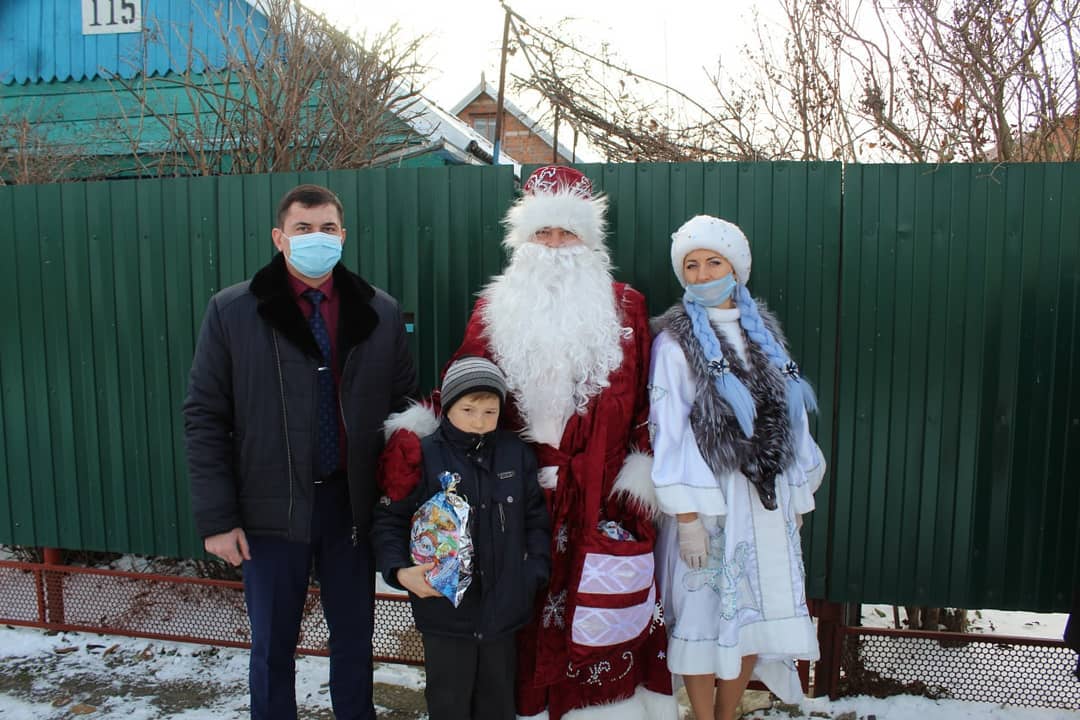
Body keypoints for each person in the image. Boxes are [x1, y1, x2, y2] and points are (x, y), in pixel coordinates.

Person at [379, 166, 675, 719]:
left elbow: (644, 402)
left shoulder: (628, 307)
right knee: (510, 621)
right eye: (544, 232)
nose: (555, 245)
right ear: (523, 239)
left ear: (589, 241)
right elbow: (463, 382)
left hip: (597, 495)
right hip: (506, 490)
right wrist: (416, 439)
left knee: (595, 614)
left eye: (568, 233)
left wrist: (639, 483)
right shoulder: (495, 307)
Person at [183, 184, 417, 720]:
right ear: (279, 237)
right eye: (303, 228)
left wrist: (396, 506)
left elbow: (403, 414)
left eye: (327, 228)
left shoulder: (378, 311)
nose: (317, 238)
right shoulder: (234, 311)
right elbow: (205, 417)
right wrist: (218, 519)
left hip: (349, 507)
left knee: (354, 641)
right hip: (268, 509)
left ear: (343, 235)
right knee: (272, 646)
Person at [648, 215, 827, 720]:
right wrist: (687, 517)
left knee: (752, 617)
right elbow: (669, 430)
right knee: (702, 617)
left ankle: (727, 714)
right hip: (710, 504)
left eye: (714, 262)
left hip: (765, 503)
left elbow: (793, 422)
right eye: (692, 265)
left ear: (736, 269)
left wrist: (797, 496)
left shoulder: (764, 336)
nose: (703, 274)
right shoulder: (673, 344)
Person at [373, 356, 551, 720]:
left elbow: (536, 520)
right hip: (445, 616)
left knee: (497, 705)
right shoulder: (422, 455)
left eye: (490, 411)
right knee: (449, 703)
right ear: (448, 406)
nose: (479, 421)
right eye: (468, 410)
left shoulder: (516, 455)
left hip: (504, 613)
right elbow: (390, 520)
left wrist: (532, 573)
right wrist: (400, 571)